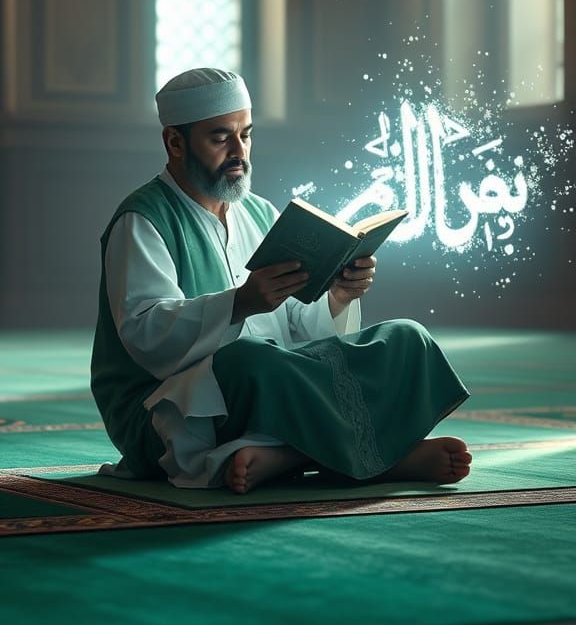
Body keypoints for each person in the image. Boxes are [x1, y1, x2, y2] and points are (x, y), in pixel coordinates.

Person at [91, 68, 472, 494]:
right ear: (175, 142)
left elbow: (297, 329)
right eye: (221, 138)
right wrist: (240, 304)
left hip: (275, 384)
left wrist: (338, 296)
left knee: (405, 338)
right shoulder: (144, 220)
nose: (240, 151)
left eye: (246, 135)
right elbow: (144, 335)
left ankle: (290, 456)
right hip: (164, 410)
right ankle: (385, 456)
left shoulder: (259, 213)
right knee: (252, 360)